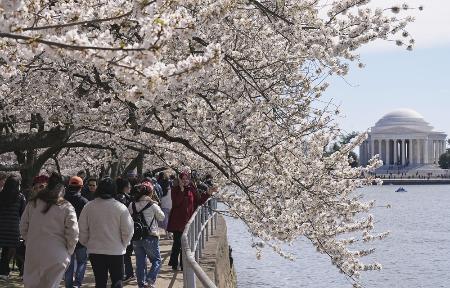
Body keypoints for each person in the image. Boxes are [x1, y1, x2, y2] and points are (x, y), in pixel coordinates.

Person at [20, 173, 79, 288]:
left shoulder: (33, 204)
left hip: (34, 253)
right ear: (62, 189)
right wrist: (69, 251)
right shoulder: (67, 207)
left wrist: (30, 241)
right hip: (57, 254)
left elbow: (23, 227)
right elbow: (73, 233)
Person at [78, 177, 134, 288]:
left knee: (100, 281)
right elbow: (128, 230)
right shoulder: (120, 207)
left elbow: (81, 229)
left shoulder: (88, 206)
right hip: (116, 250)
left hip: (95, 250)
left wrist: (87, 243)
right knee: (117, 280)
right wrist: (124, 244)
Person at [167, 171, 213, 270]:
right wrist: (182, 190)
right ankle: (174, 264)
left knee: (185, 244)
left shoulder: (192, 189)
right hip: (177, 221)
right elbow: (176, 203)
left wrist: (207, 194)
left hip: (187, 221)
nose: (185, 181)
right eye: (183, 179)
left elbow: (199, 202)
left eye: (186, 179)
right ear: (179, 180)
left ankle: (183, 265)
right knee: (177, 243)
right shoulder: (175, 190)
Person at [129, 181, 165, 288]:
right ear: (150, 193)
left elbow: (128, 217)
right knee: (156, 260)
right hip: (150, 236)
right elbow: (162, 217)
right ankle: (150, 280)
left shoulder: (132, 204)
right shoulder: (152, 205)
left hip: (136, 237)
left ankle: (141, 284)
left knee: (140, 262)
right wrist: (156, 205)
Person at [64, 176, 89, 288]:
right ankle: (77, 283)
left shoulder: (62, 201)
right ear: (81, 187)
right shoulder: (84, 202)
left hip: (66, 236)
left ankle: (69, 285)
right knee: (82, 261)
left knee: (69, 263)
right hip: (81, 236)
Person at [0, 175, 26, 280]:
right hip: (13, 228)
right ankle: (6, 272)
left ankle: (3, 271)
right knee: (12, 250)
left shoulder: (1, 195)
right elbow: (23, 213)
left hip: (1, 227)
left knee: (5, 250)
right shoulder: (20, 197)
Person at [115, 178, 134, 282]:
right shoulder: (123, 198)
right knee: (125, 253)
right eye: (128, 185)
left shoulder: (118, 197)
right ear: (124, 187)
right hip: (125, 227)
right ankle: (128, 273)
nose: (130, 187)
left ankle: (127, 273)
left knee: (124, 253)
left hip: (119, 228)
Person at [157, 171, 172, 238]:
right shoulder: (170, 183)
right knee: (169, 218)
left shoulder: (158, 183)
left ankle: (167, 233)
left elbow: (159, 194)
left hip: (163, 203)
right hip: (170, 202)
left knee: (165, 219)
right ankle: (170, 233)